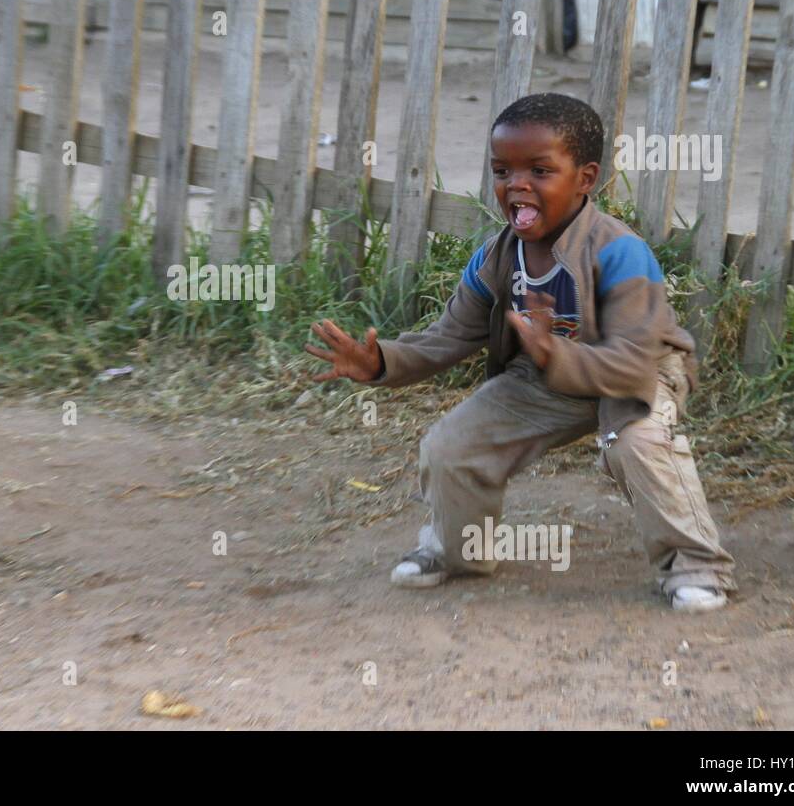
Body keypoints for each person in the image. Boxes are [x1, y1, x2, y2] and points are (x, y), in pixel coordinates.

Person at [306, 93, 735, 613]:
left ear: (585, 178)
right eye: (502, 169)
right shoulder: (494, 256)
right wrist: (381, 362)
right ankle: (460, 552)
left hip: (637, 374)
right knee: (451, 446)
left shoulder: (619, 251)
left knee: (636, 444)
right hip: (545, 375)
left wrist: (557, 353)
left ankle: (696, 567)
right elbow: (448, 337)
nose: (517, 184)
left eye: (539, 169)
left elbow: (632, 359)